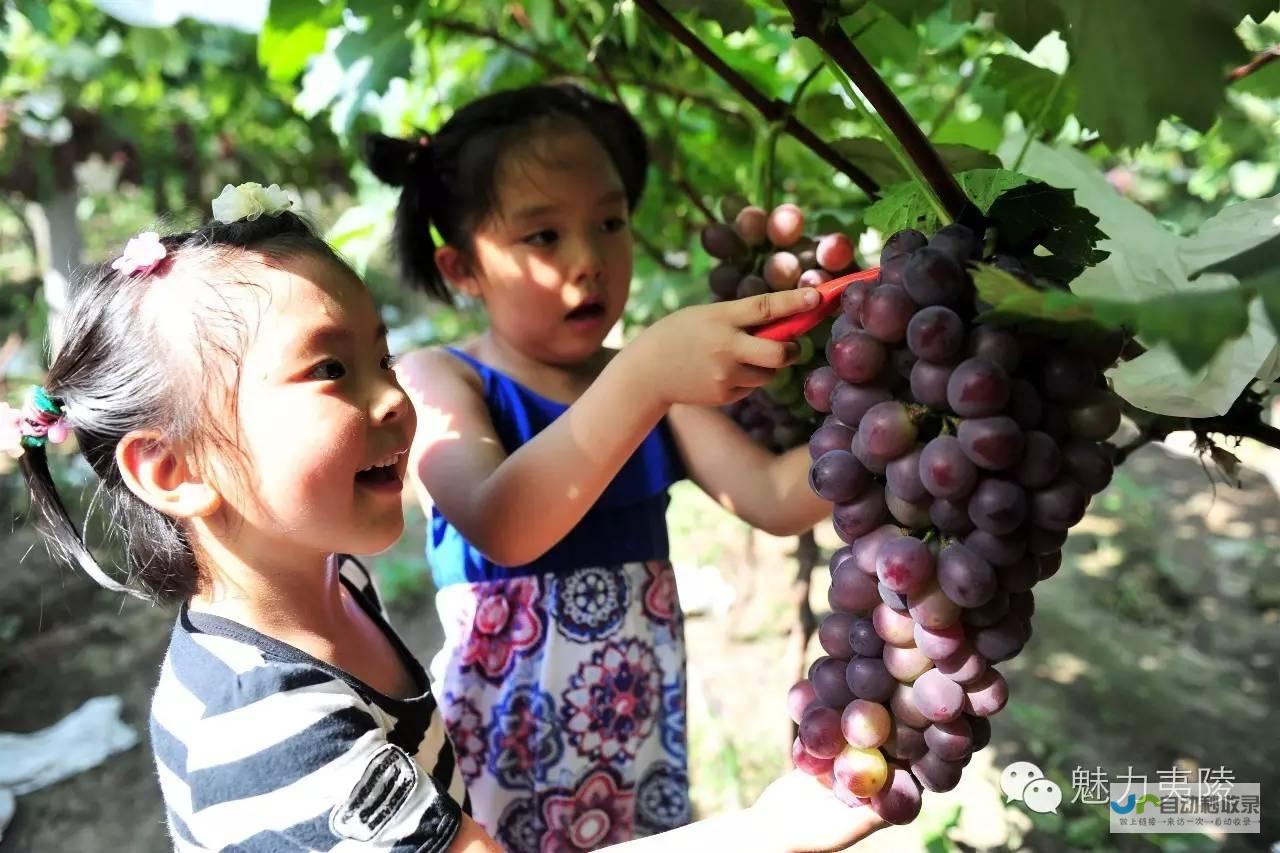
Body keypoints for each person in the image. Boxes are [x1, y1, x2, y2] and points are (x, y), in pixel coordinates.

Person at [4, 183, 881, 852]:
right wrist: (771, 831)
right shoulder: (272, 728)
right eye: (329, 370)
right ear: (173, 467)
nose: (391, 393)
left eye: (379, 354)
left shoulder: (327, 588)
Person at [367, 83, 833, 848]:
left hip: (636, 733)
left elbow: (776, 495)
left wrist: (897, 419)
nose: (587, 260)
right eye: (543, 237)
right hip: (504, 754)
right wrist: (646, 375)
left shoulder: (654, 384)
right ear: (461, 269)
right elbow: (502, 523)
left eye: (610, 222)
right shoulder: (441, 380)